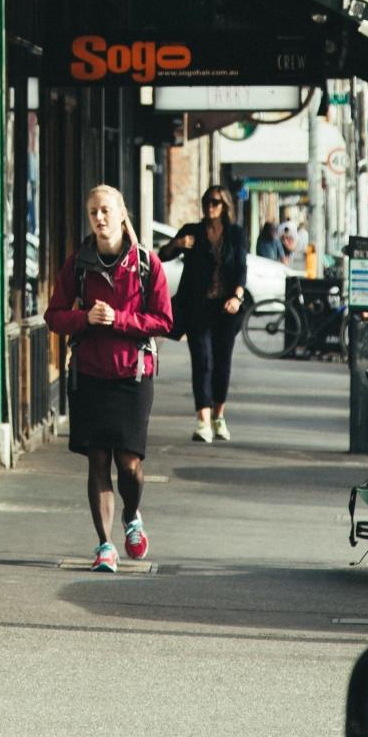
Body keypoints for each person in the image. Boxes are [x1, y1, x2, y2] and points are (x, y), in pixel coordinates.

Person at [44, 184, 172, 572]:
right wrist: (84, 319)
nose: (99, 218)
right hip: (89, 375)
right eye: (93, 213)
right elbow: (54, 315)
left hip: (133, 376)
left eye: (105, 211)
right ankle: (105, 545)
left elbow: (164, 321)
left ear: (121, 215)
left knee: (129, 463)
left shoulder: (148, 264)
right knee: (97, 459)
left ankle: (132, 515)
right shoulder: (78, 265)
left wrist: (120, 319)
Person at [170, 186, 251, 443]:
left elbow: (241, 267)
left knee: (222, 363)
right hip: (197, 307)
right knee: (202, 362)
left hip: (226, 308)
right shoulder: (192, 231)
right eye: (207, 201)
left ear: (225, 205)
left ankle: (218, 416)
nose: (210, 206)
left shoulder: (235, 234)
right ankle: (202, 421)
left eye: (215, 202)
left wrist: (237, 297)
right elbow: (162, 255)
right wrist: (178, 244)